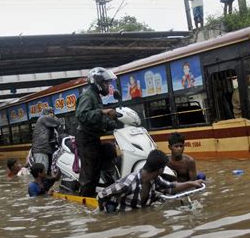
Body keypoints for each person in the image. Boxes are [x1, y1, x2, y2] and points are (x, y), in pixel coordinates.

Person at [97, 149, 204, 213]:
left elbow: (171, 188)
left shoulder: (155, 179)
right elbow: (101, 195)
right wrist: (108, 215)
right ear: (160, 169)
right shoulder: (127, 184)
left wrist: (191, 183)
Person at [76, 67, 119, 197]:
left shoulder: (95, 96)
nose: (108, 86)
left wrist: (114, 123)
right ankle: (85, 203)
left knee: (109, 151)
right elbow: (82, 116)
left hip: (93, 138)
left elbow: (98, 120)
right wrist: (102, 111)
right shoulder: (87, 95)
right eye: (106, 83)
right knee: (89, 176)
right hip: (86, 139)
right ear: (98, 83)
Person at [31, 106, 61, 175]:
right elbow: (58, 122)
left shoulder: (46, 121)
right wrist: (54, 117)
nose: (52, 114)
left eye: (52, 112)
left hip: (47, 149)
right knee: (42, 172)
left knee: (47, 172)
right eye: (50, 112)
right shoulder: (44, 118)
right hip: (41, 149)